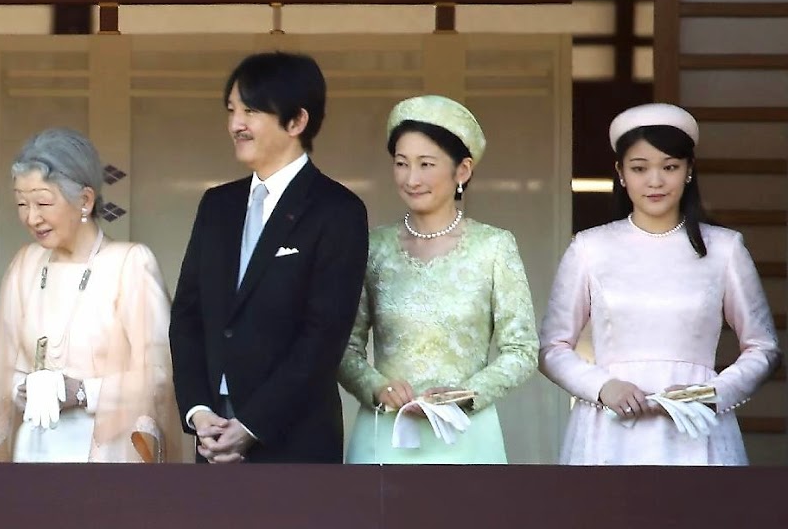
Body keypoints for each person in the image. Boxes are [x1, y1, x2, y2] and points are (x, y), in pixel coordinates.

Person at [540, 103, 780, 465]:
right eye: (640, 168)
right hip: (610, 425)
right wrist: (602, 387)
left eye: (669, 167)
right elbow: (552, 347)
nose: (655, 181)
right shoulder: (589, 247)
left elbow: (763, 348)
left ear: (688, 171)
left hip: (697, 424)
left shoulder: (725, 248)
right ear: (621, 173)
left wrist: (711, 393)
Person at [169, 51, 369, 463]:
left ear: (296, 121)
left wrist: (251, 425)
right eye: (232, 109)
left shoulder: (337, 210)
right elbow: (188, 315)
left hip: (294, 437)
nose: (236, 124)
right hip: (212, 434)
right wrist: (198, 411)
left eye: (252, 111)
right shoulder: (216, 205)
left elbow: (323, 337)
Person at [0, 129, 179, 463]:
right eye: (22, 203)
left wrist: (83, 392)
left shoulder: (129, 264)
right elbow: (2, 370)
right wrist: (25, 387)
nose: (32, 218)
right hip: (35, 446)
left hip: (106, 451)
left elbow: (158, 374)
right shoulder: (25, 265)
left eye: (44, 203)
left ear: (85, 200)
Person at [338, 96, 538, 464]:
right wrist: (377, 387)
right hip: (388, 434)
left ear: (462, 170)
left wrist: (467, 393)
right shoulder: (372, 248)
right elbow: (342, 346)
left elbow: (522, 350)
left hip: (466, 434)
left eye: (426, 164)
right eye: (401, 164)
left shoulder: (494, 247)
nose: (411, 179)